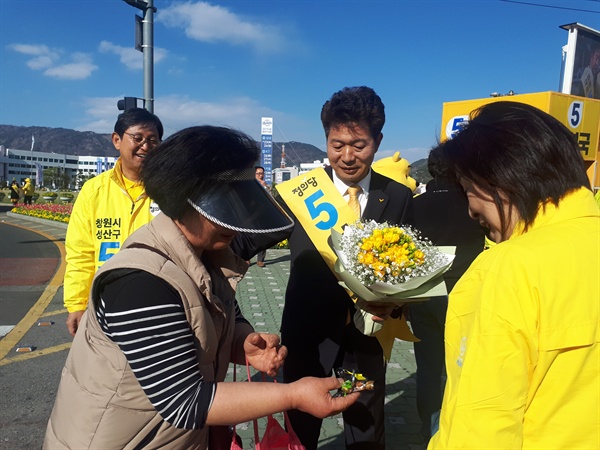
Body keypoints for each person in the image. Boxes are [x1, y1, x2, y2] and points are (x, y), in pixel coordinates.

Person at [43, 125, 358, 449]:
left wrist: (242, 341)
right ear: (183, 200)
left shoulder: (207, 258)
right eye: (227, 210)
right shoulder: (140, 282)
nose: (240, 225)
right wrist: (292, 394)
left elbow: (219, 315)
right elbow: (184, 400)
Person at [234, 86, 415, 449]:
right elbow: (244, 244)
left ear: (377, 141)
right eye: (337, 144)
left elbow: (408, 269)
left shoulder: (397, 197)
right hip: (308, 336)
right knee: (302, 422)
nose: (346, 156)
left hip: (364, 341)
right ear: (327, 140)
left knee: (363, 421)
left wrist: (393, 304)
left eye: (358, 145)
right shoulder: (300, 192)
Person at [428, 101, 599, 449]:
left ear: (496, 177)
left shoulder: (509, 268)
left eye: (467, 188)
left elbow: (482, 425)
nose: (471, 209)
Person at [409, 145, 486, 444]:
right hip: (465, 296)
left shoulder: (415, 205)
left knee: (428, 365)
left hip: (425, 295)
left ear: (430, 170)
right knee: (463, 363)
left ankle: (428, 426)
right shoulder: (473, 204)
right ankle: (458, 427)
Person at [63, 108, 163, 336]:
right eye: (137, 138)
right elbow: (81, 252)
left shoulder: (171, 190)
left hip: (160, 302)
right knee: (107, 369)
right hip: (105, 303)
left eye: (152, 140)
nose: (145, 146)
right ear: (117, 140)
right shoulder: (93, 191)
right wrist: (77, 304)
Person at [255, 165, 269, 267]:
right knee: (248, 236)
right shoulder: (250, 186)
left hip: (263, 215)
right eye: (258, 174)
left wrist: (264, 187)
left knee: (263, 237)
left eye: (262, 173)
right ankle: (246, 258)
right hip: (251, 215)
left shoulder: (266, 186)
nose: (260, 176)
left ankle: (260, 259)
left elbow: (270, 198)